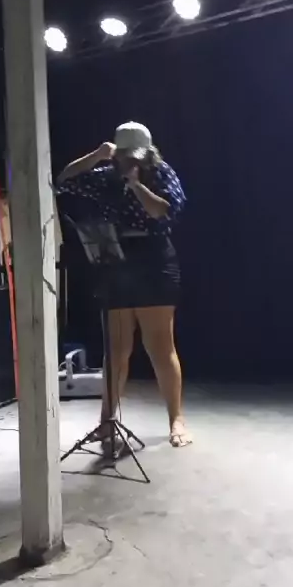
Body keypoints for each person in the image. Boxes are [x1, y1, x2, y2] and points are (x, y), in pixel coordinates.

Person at [57, 122, 191, 447]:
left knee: (159, 346)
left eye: (136, 155)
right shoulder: (107, 175)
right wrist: (97, 155)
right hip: (116, 259)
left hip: (154, 260)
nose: (130, 160)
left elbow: (165, 211)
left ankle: (177, 420)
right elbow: (64, 181)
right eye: (124, 155)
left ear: (148, 153)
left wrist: (137, 186)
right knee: (116, 349)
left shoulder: (160, 173)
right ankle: (107, 421)